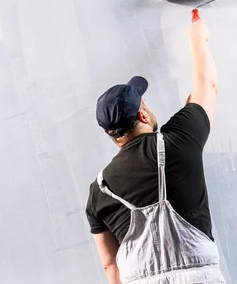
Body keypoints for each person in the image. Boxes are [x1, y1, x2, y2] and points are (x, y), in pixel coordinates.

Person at [85, 16, 224, 283]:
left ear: (110, 134)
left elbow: (110, 265)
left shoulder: (98, 190)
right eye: (145, 104)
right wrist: (197, 38)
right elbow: (207, 87)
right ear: (144, 116)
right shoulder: (178, 142)